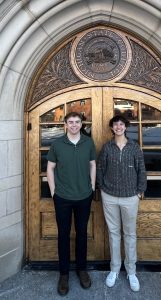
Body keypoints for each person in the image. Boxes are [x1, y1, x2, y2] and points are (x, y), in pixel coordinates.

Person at [47, 112, 96, 296]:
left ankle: (81, 270)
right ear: (65, 124)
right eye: (70, 122)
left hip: (84, 196)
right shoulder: (57, 144)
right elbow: (50, 168)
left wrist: (91, 187)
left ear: (82, 124)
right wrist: (53, 192)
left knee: (82, 234)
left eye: (77, 122)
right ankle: (64, 274)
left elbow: (93, 164)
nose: (74, 125)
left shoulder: (88, 142)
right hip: (63, 198)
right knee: (63, 235)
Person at [97, 115, 147, 292]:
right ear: (112, 128)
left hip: (130, 197)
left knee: (130, 234)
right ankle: (115, 269)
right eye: (115, 124)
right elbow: (100, 168)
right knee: (113, 233)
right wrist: (102, 187)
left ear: (126, 127)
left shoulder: (134, 147)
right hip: (109, 196)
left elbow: (141, 169)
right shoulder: (107, 147)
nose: (118, 127)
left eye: (121, 124)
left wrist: (140, 190)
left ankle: (131, 271)